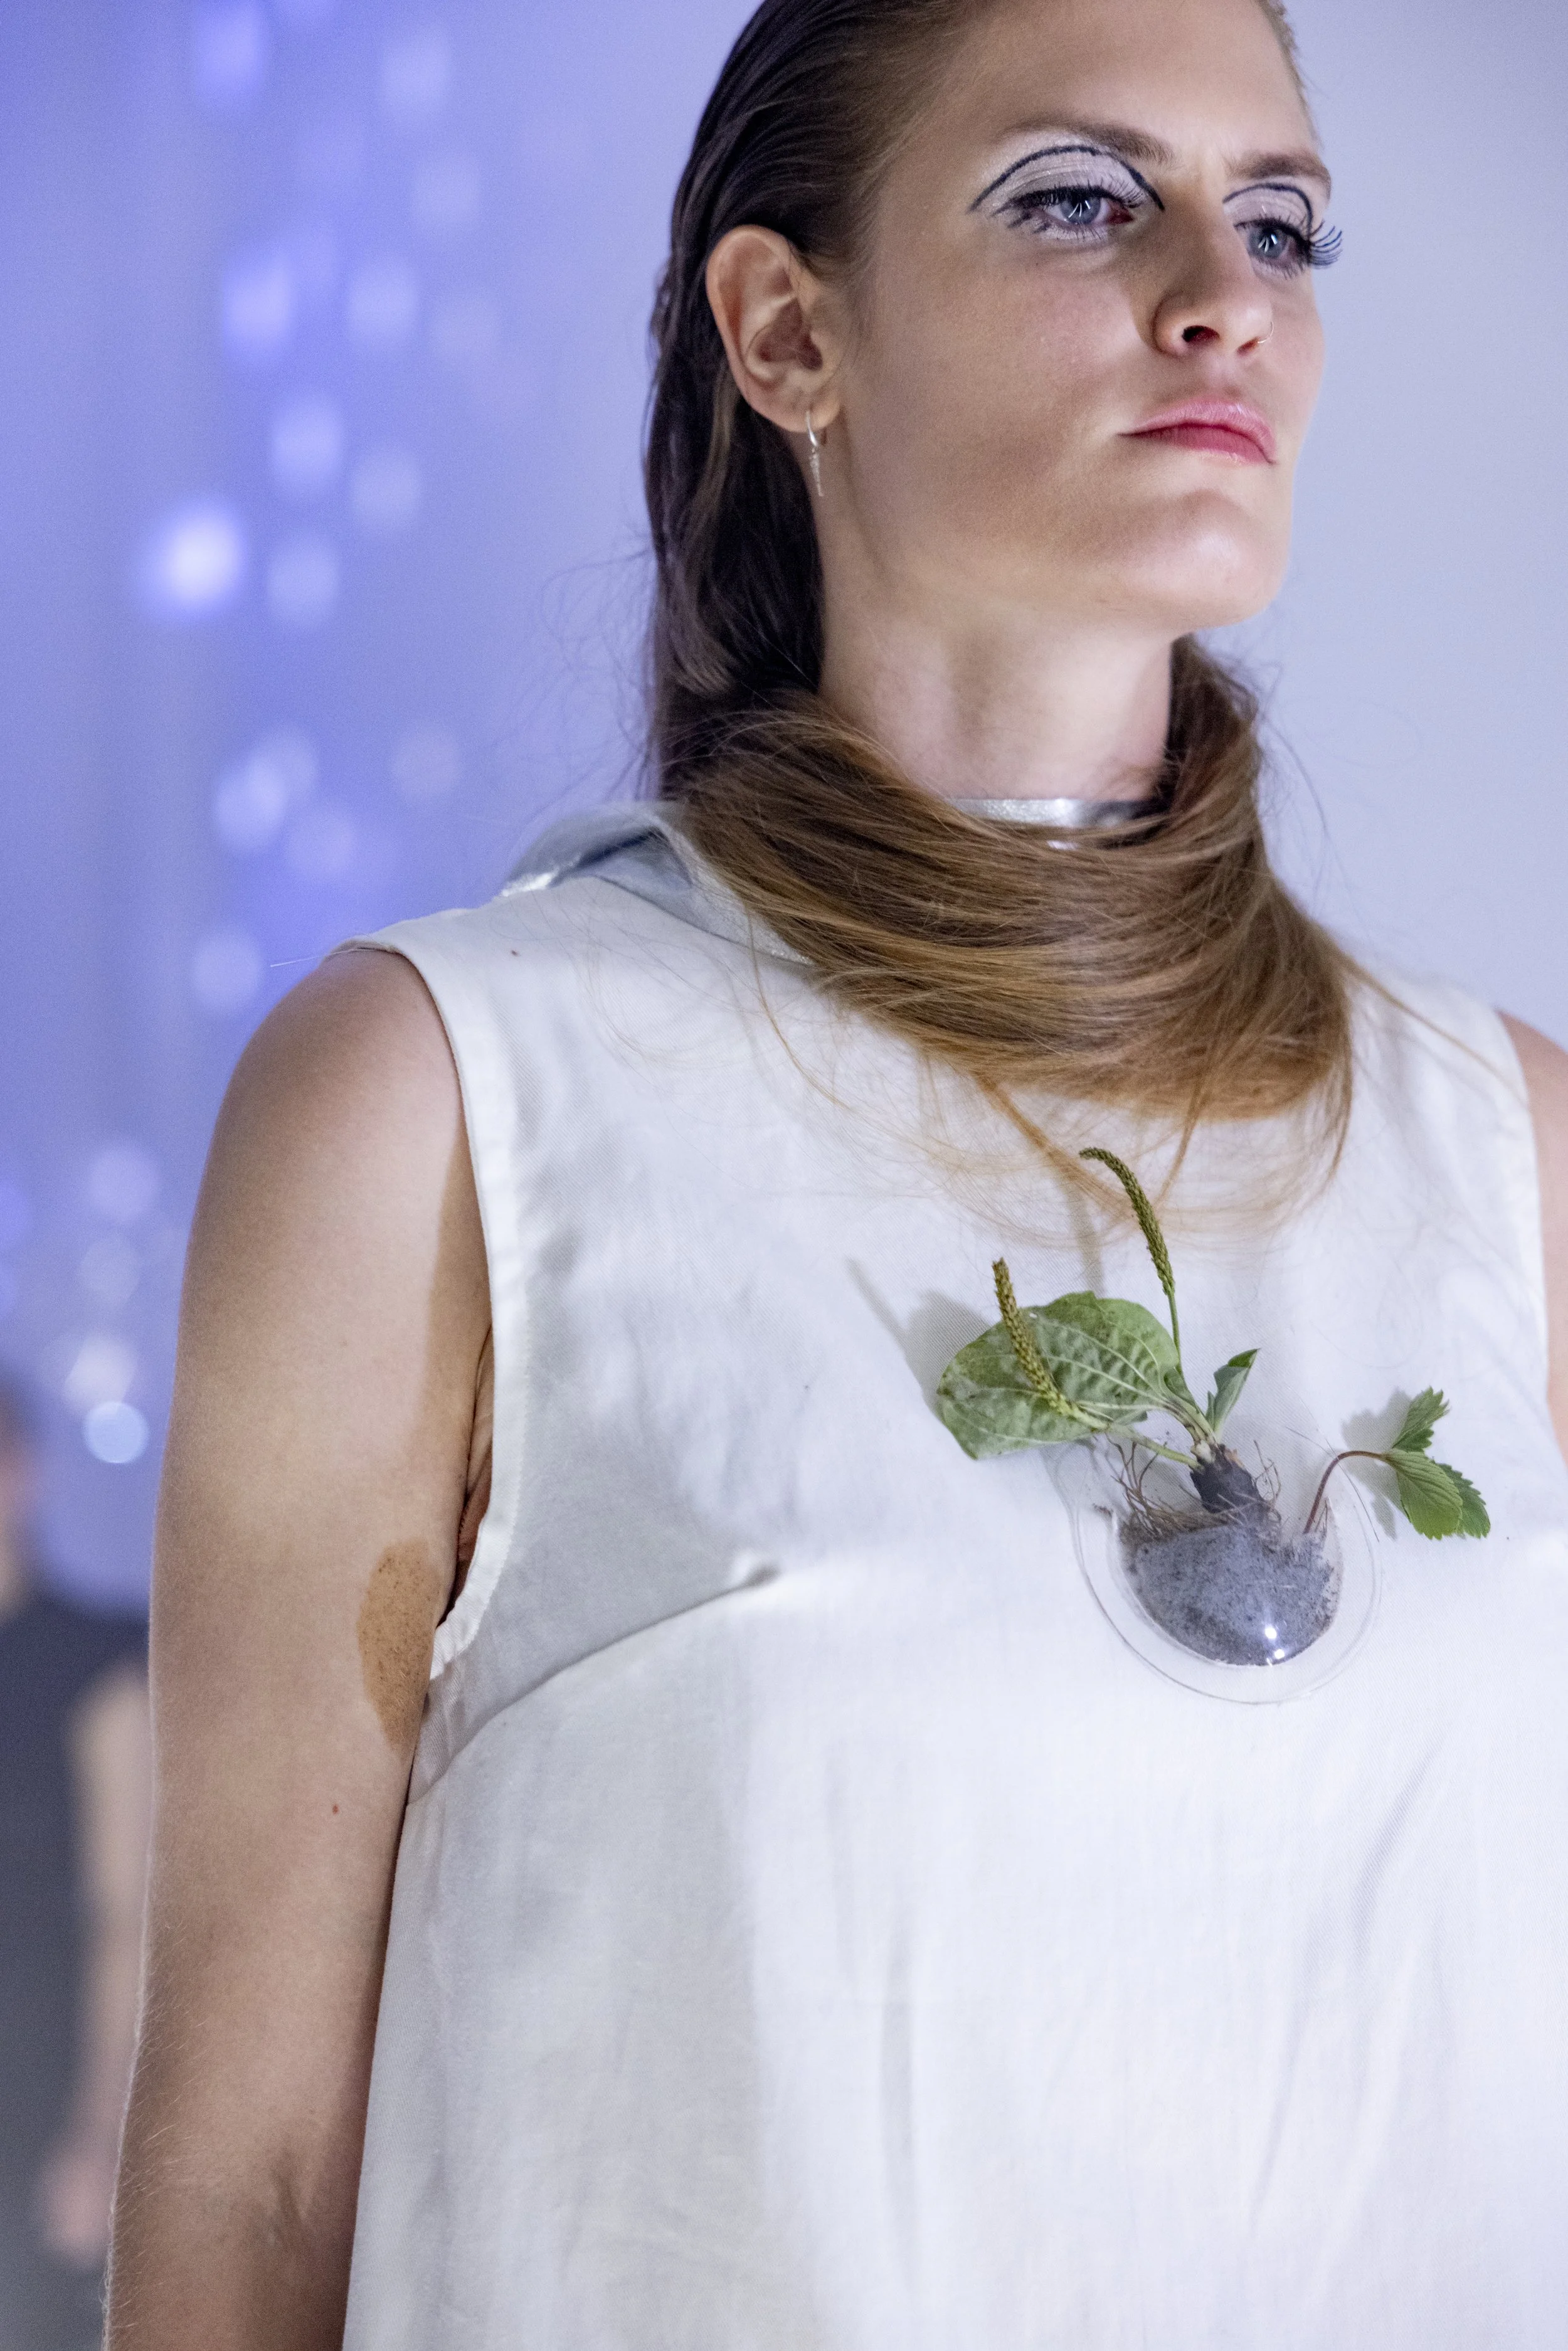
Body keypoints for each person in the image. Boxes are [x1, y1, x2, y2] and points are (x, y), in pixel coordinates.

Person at [110, 0, 1568, 2342]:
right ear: (791, 329)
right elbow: (255, 2171)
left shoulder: (1509, 1148)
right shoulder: (447, 1096)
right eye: (1085, 199)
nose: (1227, 293)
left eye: (1281, 222)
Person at [0, 1374, 149, 2351]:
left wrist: (104, 2135)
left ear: (23, 1470)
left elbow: (129, 1913)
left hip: (42, 2079)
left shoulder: (96, 1662)